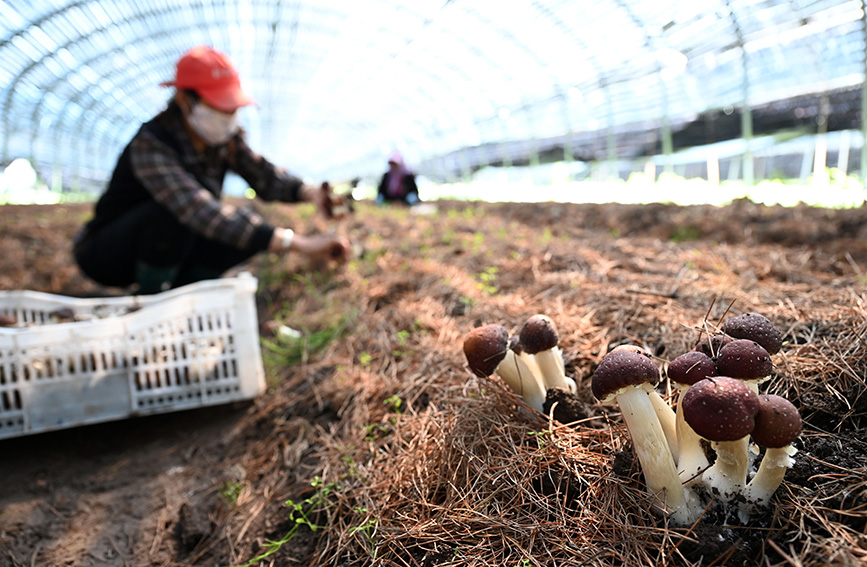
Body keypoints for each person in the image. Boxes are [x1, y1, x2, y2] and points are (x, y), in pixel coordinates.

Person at [73, 45, 350, 294]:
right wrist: (298, 244)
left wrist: (311, 193)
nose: (229, 117)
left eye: (232, 108)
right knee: (172, 218)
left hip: (175, 247)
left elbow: (264, 175)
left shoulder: (223, 141)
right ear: (184, 100)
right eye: (220, 107)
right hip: (109, 254)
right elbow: (198, 210)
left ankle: (182, 294)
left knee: (241, 234)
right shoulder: (152, 144)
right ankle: (152, 301)